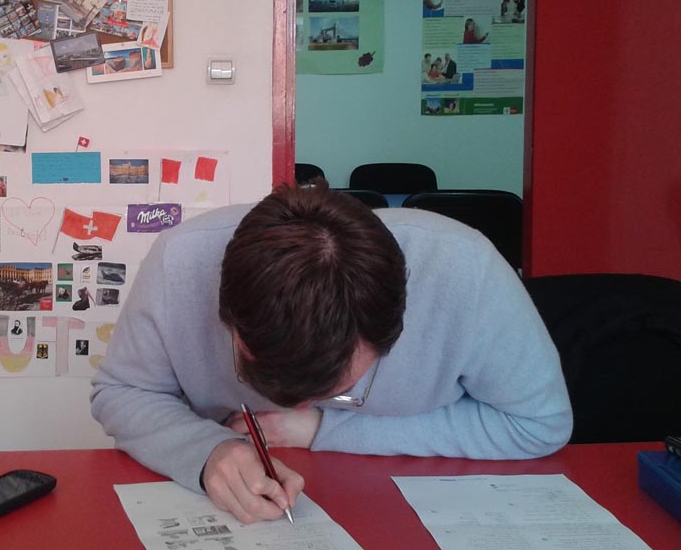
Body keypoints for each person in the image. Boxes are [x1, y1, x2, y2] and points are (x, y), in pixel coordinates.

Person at [91, 184, 572, 525]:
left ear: (393, 331)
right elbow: (121, 392)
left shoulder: (465, 270)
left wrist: (324, 428)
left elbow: (539, 423)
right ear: (226, 315)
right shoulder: (178, 262)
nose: (299, 404)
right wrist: (208, 451)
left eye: (343, 386)